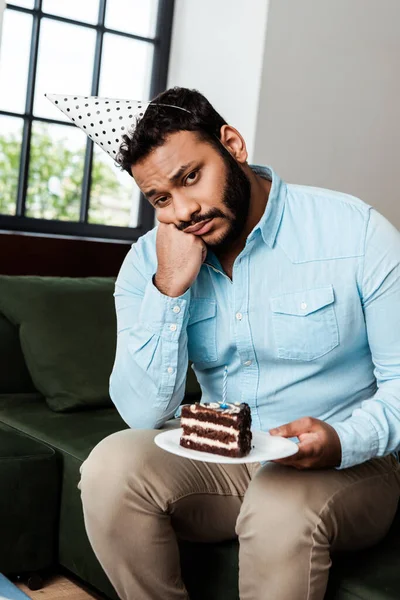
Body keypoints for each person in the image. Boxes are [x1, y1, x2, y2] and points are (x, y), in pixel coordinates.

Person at [77, 87, 400, 600]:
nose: (183, 210)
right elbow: (141, 413)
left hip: (345, 466)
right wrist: (169, 288)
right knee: (108, 467)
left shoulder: (355, 233)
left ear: (232, 144)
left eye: (191, 177)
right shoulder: (149, 262)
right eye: (161, 199)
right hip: (223, 463)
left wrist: (342, 441)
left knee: (278, 506)